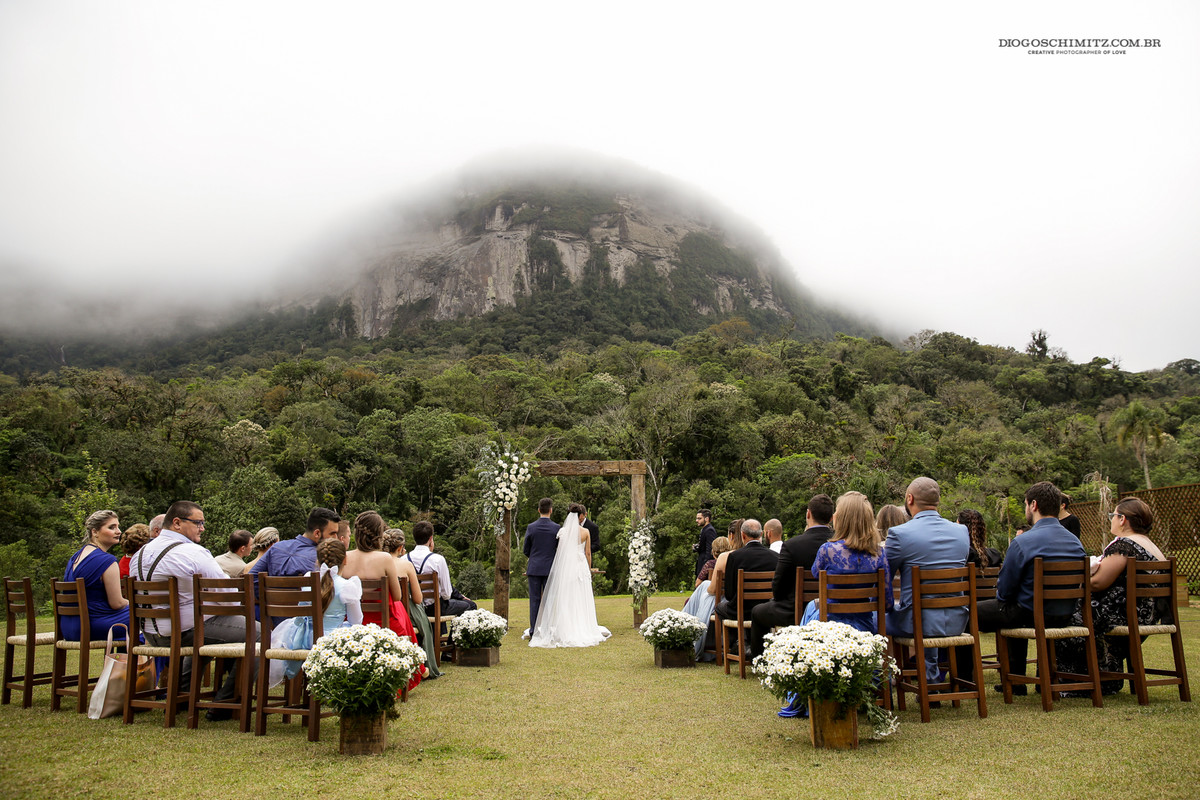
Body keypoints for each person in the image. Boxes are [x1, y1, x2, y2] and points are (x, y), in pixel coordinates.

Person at [132, 501, 258, 721]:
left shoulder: (140, 554)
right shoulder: (192, 552)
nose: (203, 528)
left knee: (207, 632)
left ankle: (183, 694)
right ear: (178, 523)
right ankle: (225, 703)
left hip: (152, 635)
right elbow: (226, 595)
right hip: (182, 633)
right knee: (258, 633)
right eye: (198, 523)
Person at [967, 481, 1086, 692]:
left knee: (969, 614)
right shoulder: (1075, 542)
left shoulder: (1024, 542)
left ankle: (966, 681)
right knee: (1014, 609)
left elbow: (1004, 591)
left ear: (1033, 505)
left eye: (1025, 504)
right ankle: (1015, 681)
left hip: (1030, 612)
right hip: (1064, 613)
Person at [1056, 497, 1167, 694]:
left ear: (1123, 519)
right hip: (1145, 616)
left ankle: (1073, 682)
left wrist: (1072, 581)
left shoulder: (1124, 545)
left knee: (1062, 614)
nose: (1111, 520)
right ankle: (1105, 678)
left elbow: (1099, 582)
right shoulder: (1151, 546)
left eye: (1112, 516)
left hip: (1123, 616)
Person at [885, 477, 970, 683]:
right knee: (923, 610)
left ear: (909, 499)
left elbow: (884, 577)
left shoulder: (899, 534)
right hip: (956, 622)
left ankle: (881, 683)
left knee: (871, 618)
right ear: (937, 500)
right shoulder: (962, 532)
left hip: (915, 623)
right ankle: (932, 680)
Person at [344, 511, 425, 689]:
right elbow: (397, 596)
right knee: (399, 609)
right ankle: (411, 669)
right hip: (385, 623)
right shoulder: (384, 558)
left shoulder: (345, 557)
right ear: (379, 535)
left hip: (352, 623)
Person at [267, 539, 364, 687]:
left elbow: (300, 616)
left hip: (303, 639)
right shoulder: (347, 586)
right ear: (345, 559)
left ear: (317, 561)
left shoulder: (308, 580)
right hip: (332, 641)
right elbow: (356, 621)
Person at [748, 495, 834, 658]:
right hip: (832, 608)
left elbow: (778, 587)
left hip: (793, 610)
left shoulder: (793, 545)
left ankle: (760, 661)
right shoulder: (840, 543)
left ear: (808, 514)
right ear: (831, 517)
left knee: (757, 612)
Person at [800, 492, 893, 630]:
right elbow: (887, 603)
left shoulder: (828, 550)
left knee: (811, 607)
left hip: (830, 627)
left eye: (837, 511)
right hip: (864, 627)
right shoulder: (879, 554)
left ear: (843, 519)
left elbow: (816, 574)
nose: (834, 515)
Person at [529, 509, 611, 648]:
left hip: (567, 568)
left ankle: (565, 628)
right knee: (581, 596)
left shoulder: (562, 532)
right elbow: (588, 552)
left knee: (566, 598)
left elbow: (559, 552)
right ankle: (583, 626)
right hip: (580, 567)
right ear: (580, 516)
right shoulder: (585, 532)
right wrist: (589, 568)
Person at [712, 519, 778, 656]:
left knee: (720, 608)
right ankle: (748, 643)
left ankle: (739, 643)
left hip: (741, 610)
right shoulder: (775, 557)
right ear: (761, 534)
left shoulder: (735, 557)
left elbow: (730, 594)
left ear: (742, 535)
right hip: (766, 608)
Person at [61, 510, 129, 642]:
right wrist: (136, 603)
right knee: (146, 617)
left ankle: (123, 662)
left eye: (118, 526)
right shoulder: (107, 561)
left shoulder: (76, 556)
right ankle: (134, 662)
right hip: (95, 625)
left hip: (70, 627)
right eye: (111, 527)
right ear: (95, 532)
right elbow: (117, 603)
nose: (119, 531)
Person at [384, 528, 441, 679]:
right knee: (424, 621)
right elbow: (417, 599)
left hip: (381, 611)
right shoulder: (406, 565)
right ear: (400, 548)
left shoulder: (376, 563)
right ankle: (426, 665)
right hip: (404, 611)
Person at [248, 509, 341, 586]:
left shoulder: (276, 548)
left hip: (273, 607)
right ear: (317, 533)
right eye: (332, 534)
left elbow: (251, 580)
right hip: (306, 607)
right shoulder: (323, 555)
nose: (336, 538)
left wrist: (268, 601)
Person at [406, 521, 477, 619]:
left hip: (413, 609)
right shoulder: (437, 559)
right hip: (434, 609)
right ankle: (454, 635)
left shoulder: (404, 559)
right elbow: (446, 594)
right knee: (470, 606)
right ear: (431, 539)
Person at [681, 536, 732, 660]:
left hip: (716, 602)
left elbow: (699, 583)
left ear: (714, 552)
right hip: (731, 600)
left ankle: (685, 632)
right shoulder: (734, 562)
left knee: (703, 588)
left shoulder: (711, 564)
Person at [523, 498, 560, 639]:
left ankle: (533, 631)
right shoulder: (556, 528)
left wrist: (534, 557)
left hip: (534, 567)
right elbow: (559, 549)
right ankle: (547, 630)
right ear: (551, 510)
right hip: (550, 568)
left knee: (534, 601)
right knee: (549, 601)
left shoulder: (531, 527)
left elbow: (526, 549)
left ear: (539, 510)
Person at [693, 509, 718, 577]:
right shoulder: (705, 529)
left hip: (704, 565)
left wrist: (705, 567)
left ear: (706, 519)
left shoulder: (709, 530)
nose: (696, 520)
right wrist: (697, 547)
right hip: (701, 563)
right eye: (697, 518)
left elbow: (710, 550)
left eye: (699, 518)